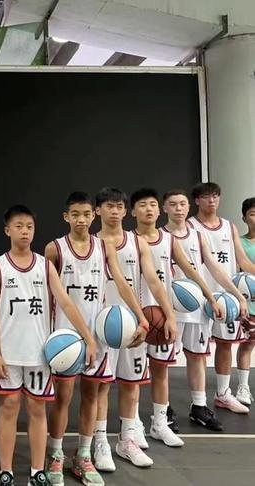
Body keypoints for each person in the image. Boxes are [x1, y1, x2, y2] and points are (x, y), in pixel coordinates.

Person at [0, 204, 96, 486]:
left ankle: (37, 470)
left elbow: (66, 302)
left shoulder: (44, 265)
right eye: (19, 226)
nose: (25, 231)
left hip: (39, 354)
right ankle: (7, 471)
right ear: (7, 230)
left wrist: (88, 337)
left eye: (29, 226)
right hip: (9, 354)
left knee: (37, 410)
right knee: (9, 408)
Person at [45, 192, 149, 486]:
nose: (81, 219)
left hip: (98, 333)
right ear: (66, 217)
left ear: (93, 216)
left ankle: (83, 455)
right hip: (65, 337)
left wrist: (140, 316)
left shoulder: (104, 247)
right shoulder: (54, 249)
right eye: (75, 214)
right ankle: (55, 455)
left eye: (86, 214)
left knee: (91, 396)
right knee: (63, 398)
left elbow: (122, 283)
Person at [130, 188, 223, 448]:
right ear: (133, 211)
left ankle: (160, 422)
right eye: (142, 205)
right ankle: (133, 424)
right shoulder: (127, 240)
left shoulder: (169, 241)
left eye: (152, 204)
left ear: (158, 210)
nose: (148, 209)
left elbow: (191, 271)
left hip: (161, 314)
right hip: (135, 316)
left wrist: (211, 297)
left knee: (160, 369)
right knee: (133, 376)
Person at [91, 187, 175, 471]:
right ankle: (100, 441)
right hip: (102, 325)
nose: (114, 211)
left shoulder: (137, 242)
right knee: (102, 386)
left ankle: (127, 439)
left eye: (119, 206)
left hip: (134, 325)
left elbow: (152, 280)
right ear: (97, 211)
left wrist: (169, 315)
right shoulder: (91, 244)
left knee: (131, 384)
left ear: (125, 211)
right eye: (109, 206)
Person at [162, 189, 247, 429]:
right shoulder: (159, 236)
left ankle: (199, 406)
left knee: (197, 357)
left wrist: (238, 295)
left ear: (188, 207)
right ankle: (163, 409)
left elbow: (214, 268)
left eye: (182, 204)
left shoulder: (198, 237)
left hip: (197, 306)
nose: (178, 208)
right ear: (164, 208)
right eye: (173, 204)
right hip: (170, 309)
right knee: (163, 363)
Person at [188, 182, 255, 414]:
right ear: (197, 200)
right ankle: (197, 401)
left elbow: (243, 261)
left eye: (215, 196)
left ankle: (223, 394)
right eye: (206, 196)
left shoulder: (228, 226)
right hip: (198, 297)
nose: (212, 200)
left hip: (226, 296)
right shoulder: (190, 226)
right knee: (196, 351)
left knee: (226, 343)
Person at [237, 197, 255, 406]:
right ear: (244, 218)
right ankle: (243, 386)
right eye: (252, 214)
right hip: (249, 304)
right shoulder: (239, 243)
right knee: (248, 345)